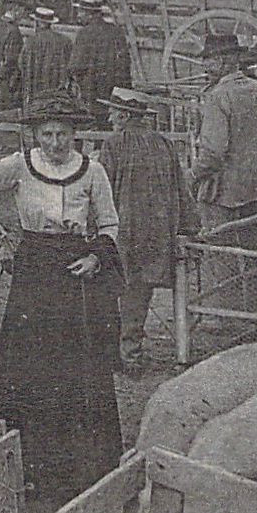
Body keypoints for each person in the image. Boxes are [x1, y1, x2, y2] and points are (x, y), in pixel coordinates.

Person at [0, 92, 124, 505]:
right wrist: (1, 235)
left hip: (73, 270)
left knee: (76, 368)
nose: (55, 143)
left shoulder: (93, 171)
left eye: (62, 134)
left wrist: (96, 256)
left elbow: (111, 222)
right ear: (35, 134)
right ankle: (30, 462)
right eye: (46, 134)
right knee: (29, 368)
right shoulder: (19, 165)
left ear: (75, 135)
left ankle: (80, 465)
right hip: (32, 269)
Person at [96, 88, 197, 370]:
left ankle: (124, 355)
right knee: (139, 293)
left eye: (113, 112)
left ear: (125, 115)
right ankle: (132, 350)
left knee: (119, 291)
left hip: (124, 232)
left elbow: (101, 190)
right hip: (157, 234)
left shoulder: (114, 144)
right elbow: (181, 189)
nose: (109, 117)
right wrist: (189, 227)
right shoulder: (163, 143)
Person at [187, 33, 257, 324]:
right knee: (255, 254)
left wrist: (191, 176)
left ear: (225, 61)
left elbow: (212, 153)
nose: (206, 66)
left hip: (222, 193)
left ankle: (225, 317)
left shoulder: (218, 96)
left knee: (221, 255)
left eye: (209, 60)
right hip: (255, 187)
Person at [68, 0, 133, 113]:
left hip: (92, 92)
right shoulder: (117, 31)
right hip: (116, 93)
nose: (78, 16)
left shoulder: (84, 33)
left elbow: (76, 66)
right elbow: (125, 61)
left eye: (80, 12)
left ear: (90, 14)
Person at [18, 6, 71, 106]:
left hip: (36, 94)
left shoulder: (31, 41)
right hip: (59, 96)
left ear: (37, 23)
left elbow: (22, 64)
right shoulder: (65, 41)